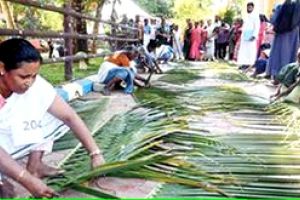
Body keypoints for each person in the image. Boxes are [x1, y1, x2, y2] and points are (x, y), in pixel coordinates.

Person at [0, 38, 105, 198]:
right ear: (1, 68)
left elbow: (69, 116)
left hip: (6, 134)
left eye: (34, 76)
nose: (29, 82)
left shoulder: (35, 85)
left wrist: (95, 153)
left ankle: (35, 165)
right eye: (24, 76)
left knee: (52, 113)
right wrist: (25, 179)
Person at [266, 0, 300, 84]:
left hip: (282, 33)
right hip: (293, 33)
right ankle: (286, 78)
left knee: (279, 55)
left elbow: (274, 19)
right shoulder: (297, 4)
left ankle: (277, 77)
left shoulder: (282, 4)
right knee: (290, 55)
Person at [237, 2, 260, 69]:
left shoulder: (255, 15)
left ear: (253, 8)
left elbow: (257, 26)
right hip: (245, 35)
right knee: (244, 50)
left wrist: (254, 35)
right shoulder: (246, 15)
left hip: (251, 35)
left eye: (250, 7)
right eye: (248, 7)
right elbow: (244, 25)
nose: (249, 8)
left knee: (250, 50)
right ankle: (244, 63)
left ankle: (249, 64)